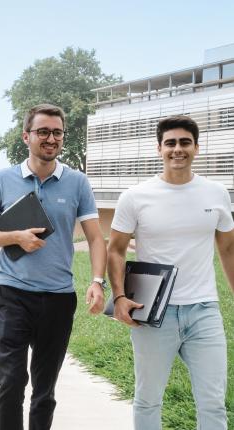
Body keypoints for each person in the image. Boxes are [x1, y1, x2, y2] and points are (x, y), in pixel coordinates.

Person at [0, 103, 107, 430]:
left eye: (57, 132)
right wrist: (15, 236)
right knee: (11, 381)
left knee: (44, 389)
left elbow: (95, 238)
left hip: (59, 298)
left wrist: (97, 281)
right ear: (26, 136)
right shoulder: (4, 179)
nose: (51, 138)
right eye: (43, 131)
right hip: (13, 294)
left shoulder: (77, 182)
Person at [107, 115, 233, 429]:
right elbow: (116, 249)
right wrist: (120, 296)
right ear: (159, 148)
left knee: (213, 403)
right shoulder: (135, 197)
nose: (178, 149)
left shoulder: (217, 193)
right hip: (152, 315)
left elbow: (228, 249)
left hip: (204, 310)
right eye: (171, 143)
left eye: (185, 142)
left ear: (197, 148)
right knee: (148, 399)